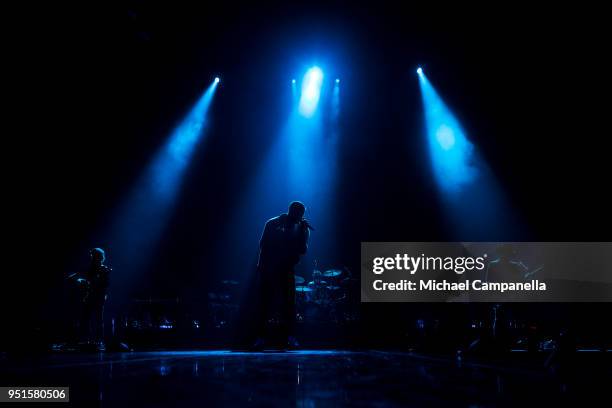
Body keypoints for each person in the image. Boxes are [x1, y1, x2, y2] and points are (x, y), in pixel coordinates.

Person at [253, 201, 311, 350]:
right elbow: (263, 245)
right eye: (299, 214)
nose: (300, 217)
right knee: (265, 303)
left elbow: (303, 250)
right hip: (269, 268)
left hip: (287, 269)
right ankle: (260, 338)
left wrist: (303, 233)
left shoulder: (301, 228)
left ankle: (290, 337)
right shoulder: (272, 223)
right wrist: (260, 266)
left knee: (289, 304)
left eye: (301, 215)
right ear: (292, 211)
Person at [79, 247, 111, 351]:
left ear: (99, 257)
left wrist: (92, 282)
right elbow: (89, 281)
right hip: (90, 296)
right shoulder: (91, 269)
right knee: (86, 318)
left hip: (98, 297)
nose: (91, 257)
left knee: (98, 319)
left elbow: (105, 284)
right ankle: (86, 340)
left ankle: (99, 341)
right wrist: (82, 281)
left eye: (93, 255)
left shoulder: (104, 269)